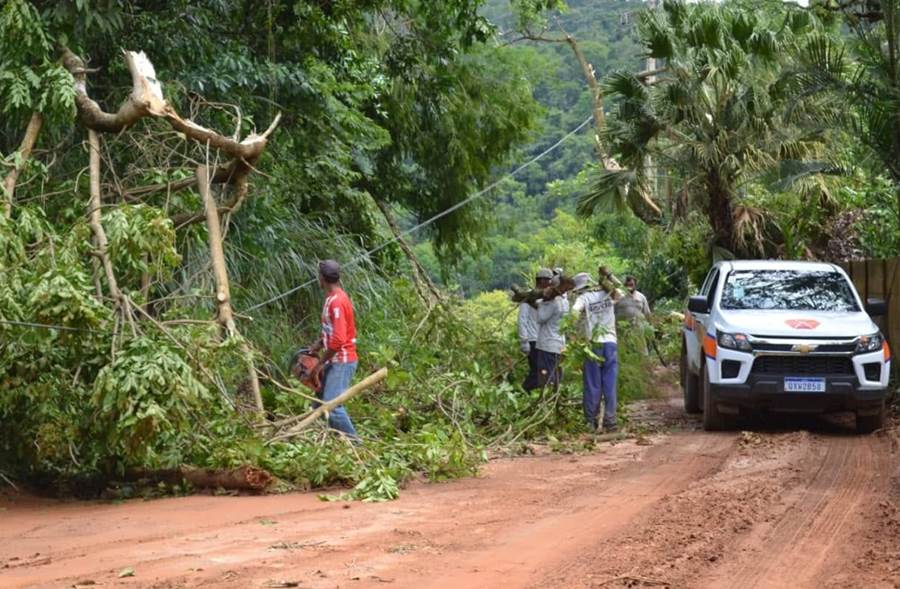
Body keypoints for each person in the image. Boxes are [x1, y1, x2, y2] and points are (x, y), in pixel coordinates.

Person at [308, 259, 359, 438]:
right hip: (335, 358)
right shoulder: (333, 299)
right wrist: (319, 343)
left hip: (342, 360)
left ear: (321, 278)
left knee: (332, 405)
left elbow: (338, 340)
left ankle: (357, 445)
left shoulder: (337, 302)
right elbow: (332, 331)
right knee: (317, 403)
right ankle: (334, 441)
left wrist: (319, 364)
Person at [572, 266, 621, 432]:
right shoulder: (606, 293)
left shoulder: (583, 298)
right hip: (611, 343)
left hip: (594, 344)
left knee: (592, 383)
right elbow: (620, 294)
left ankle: (591, 420)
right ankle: (610, 420)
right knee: (609, 383)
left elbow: (573, 312)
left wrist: (573, 327)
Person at [519, 268, 554, 391]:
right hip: (533, 340)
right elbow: (522, 319)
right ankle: (522, 392)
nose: (550, 283)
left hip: (545, 340)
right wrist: (524, 341)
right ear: (542, 280)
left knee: (545, 372)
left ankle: (533, 396)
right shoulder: (528, 296)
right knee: (537, 372)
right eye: (548, 280)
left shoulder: (548, 296)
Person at [535, 279, 570, 389]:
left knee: (546, 375)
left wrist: (541, 304)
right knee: (556, 373)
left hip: (548, 344)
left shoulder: (553, 303)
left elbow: (540, 318)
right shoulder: (565, 302)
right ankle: (556, 398)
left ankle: (547, 399)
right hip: (560, 344)